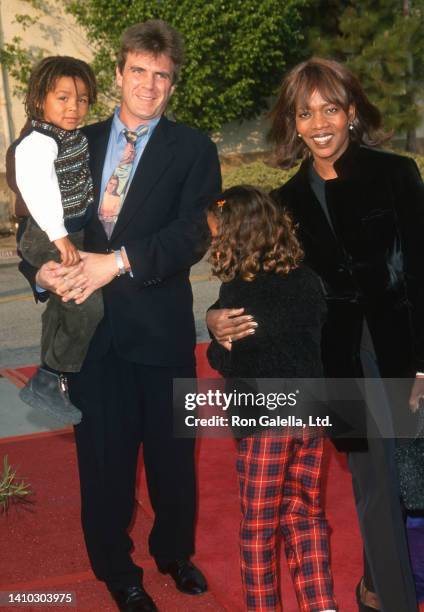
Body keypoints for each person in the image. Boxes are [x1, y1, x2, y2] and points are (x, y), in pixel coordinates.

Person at [207, 57, 424, 612]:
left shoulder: (397, 173)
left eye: (331, 108)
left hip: (405, 349)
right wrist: (214, 320)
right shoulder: (285, 203)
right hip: (336, 364)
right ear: (293, 123)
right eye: (306, 112)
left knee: (413, 484)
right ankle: (389, 600)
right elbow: (256, 284)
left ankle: (377, 585)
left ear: (352, 113)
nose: (320, 122)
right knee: (376, 490)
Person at [19, 20, 221, 612]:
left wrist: (120, 262)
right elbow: (35, 221)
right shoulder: (72, 138)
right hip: (93, 335)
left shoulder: (193, 149)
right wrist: (41, 274)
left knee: (172, 458)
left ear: (172, 84)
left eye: (162, 76)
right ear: (118, 74)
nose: (149, 85)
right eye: (139, 71)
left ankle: (174, 552)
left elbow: (192, 234)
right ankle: (115, 570)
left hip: (159, 330)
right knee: (103, 463)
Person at [206, 186, 337, 612]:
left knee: (259, 528)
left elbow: (234, 363)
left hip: (265, 421)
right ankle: (322, 605)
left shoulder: (239, 294)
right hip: (313, 413)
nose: (213, 244)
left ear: (235, 237)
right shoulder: (307, 279)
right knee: (306, 515)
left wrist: (214, 342)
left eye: (216, 236)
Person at [6, 56, 102, 425]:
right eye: (63, 98)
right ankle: (51, 376)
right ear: (39, 99)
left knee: (64, 306)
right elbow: (39, 191)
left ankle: (50, 376)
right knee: (88, 306)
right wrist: (60, 236)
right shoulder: (39, 142)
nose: (73, 108)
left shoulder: (70, 136)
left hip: (66, 233)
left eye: (81, 99)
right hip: (47, 237)